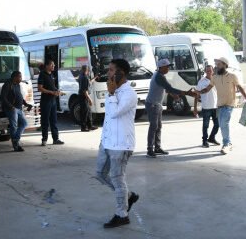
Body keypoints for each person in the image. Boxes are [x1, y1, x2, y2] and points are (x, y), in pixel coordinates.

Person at [96, 59, 140, 229]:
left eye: (111, 70)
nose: (108, 73)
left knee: (117, 178)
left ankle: (122, 214)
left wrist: (112, 94)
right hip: (107, 142)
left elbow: (114, 113)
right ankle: (128, 195)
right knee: (100, 174)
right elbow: (108, 117)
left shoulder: (129, 94)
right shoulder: (112, 92)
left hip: (121, 145)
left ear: (121, 73)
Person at [144, 59, 197, 157]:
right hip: (152, 104)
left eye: (169, 66)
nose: (168, 68)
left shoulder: (159, 75)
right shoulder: (159, 77)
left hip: (157, 104)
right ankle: (149, 149)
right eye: (167, 67)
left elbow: (167, 89)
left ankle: (157, 147)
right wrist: (187, 93)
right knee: (154, 126)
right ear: (161, 67)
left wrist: (174, 95)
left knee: (158, 126)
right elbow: (170, 88)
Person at [211, 57, 246, 155]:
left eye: (219, 64)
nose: (217, 66)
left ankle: (227, 144)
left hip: (229, 104)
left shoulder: (232, 76)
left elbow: (240, 87)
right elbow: (208, 87)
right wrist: (198, 92)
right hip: (219, 105)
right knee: (221, 125)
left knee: (224, 123)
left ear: (225, 65)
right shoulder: (215, 77)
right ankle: (228, 143)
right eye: (217, 64)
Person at [0, 71, 33, 152]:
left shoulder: (17, 84)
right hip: (11, 109)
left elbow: (20, 96)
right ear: (14, 77)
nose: (21, 79)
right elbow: (3, 98)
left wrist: (26, 104)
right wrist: (11, 106)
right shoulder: (7, 84)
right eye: (20, 77)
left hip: (19, 108)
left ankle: (15, 139)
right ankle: (16, 146)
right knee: (14, 126)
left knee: (24, 123)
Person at [38, 59, 65, 146]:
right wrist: (51, 92)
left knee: (54, 121)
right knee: (45, 121)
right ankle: (44, 139)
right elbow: (40, 88)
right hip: (46, 101)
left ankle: (55, 139)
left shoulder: (52, 75)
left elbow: (53, 87)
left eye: (54, 65)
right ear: (47, 66)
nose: (54, 66)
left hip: (53, 101)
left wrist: (58, 91)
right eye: (52, 65)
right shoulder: (42, 74)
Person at [193, 65, 220, 148]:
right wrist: (195, 108)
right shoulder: (201, 81)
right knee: (205, 125)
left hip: (216, 106)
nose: (209, 72)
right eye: (207, 71)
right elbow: (196, 95)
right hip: (206, 107)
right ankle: (204, 141)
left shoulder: (216, 80)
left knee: (217, 124)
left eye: (210, 71)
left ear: (213, 71)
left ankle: (211, 138)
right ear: (205, 71)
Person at [77, 65, 98, 132]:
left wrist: (95, 78)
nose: (88, 71)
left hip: (82, 96)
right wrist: (89, 99)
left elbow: (89, 82)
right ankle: (83, 128)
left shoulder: (81, 76)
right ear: (86, 70)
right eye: (88, 70)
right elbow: (84, 91)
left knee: (88, 111)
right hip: (83, 96)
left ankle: (90, 126)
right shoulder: (84, 77)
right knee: (84, 112)